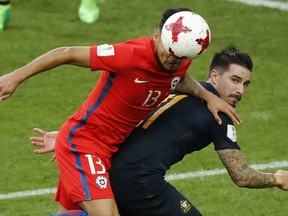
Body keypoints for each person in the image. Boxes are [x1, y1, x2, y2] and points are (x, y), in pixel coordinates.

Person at [0, 8, 241, 216]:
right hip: (83, 146)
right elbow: (66, 53)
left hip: (105, 151)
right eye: (168, 52)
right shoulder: (129, 55)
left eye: (179, 58)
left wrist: (208, 96)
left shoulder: (179, 59)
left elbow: (179, 79)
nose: (172, 61)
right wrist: (15, 77)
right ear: (157, 36)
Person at [31, 45, 288, 216]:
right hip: (138, 182)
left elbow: (129, 113)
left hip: (108, 167)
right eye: (235, 80)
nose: (240, 90)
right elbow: (241, 176)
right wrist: (276, 178)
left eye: (246, 84)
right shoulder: (219, 115)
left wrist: (72, 136)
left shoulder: (175, 86)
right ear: (214, 76)